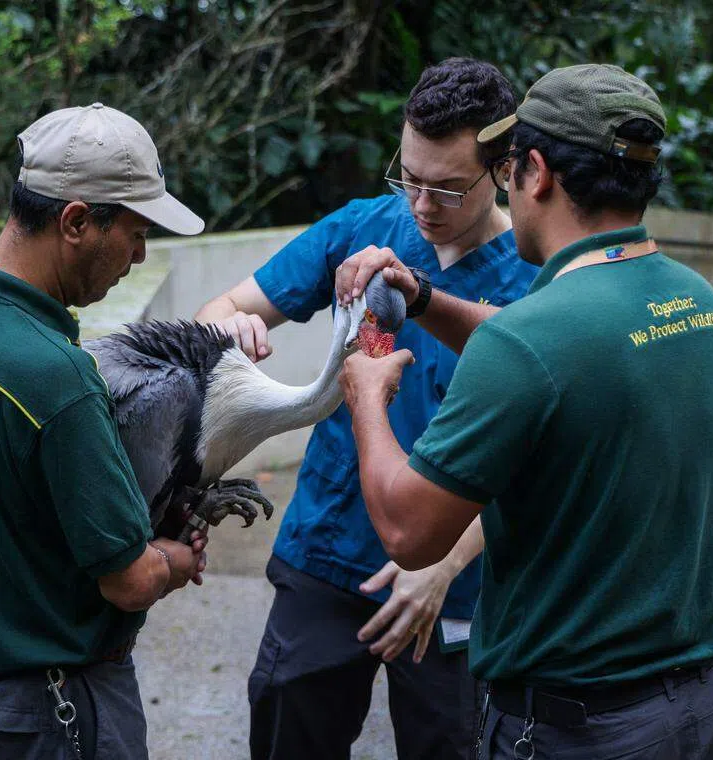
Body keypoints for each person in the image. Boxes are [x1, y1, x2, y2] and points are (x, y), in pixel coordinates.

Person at [336, 63, 713, 759]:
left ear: (538, 173)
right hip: (696, 709)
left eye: (507, 166)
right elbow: (558, 360)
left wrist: (366, 398)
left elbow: (409, 533)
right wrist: (428, 300)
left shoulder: (530, 342)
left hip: (575, 727)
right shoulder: (694, 302)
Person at [195, 58, 538, 759]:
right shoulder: (362, 229)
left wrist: (441, 563)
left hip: (457, 583)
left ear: (505, 170)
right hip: (328, 548)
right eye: (409, 177)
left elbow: (540, 450)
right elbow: (218, 310)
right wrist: (230, 331)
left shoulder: (536, 278)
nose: (420, 206)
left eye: (446, 189)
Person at [0, 103, 209, 760]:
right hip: (56, 710)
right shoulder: (58, 378)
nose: (140, 255)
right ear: (76, 221)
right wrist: (179, 557)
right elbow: (130, 580)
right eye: (136, 232)